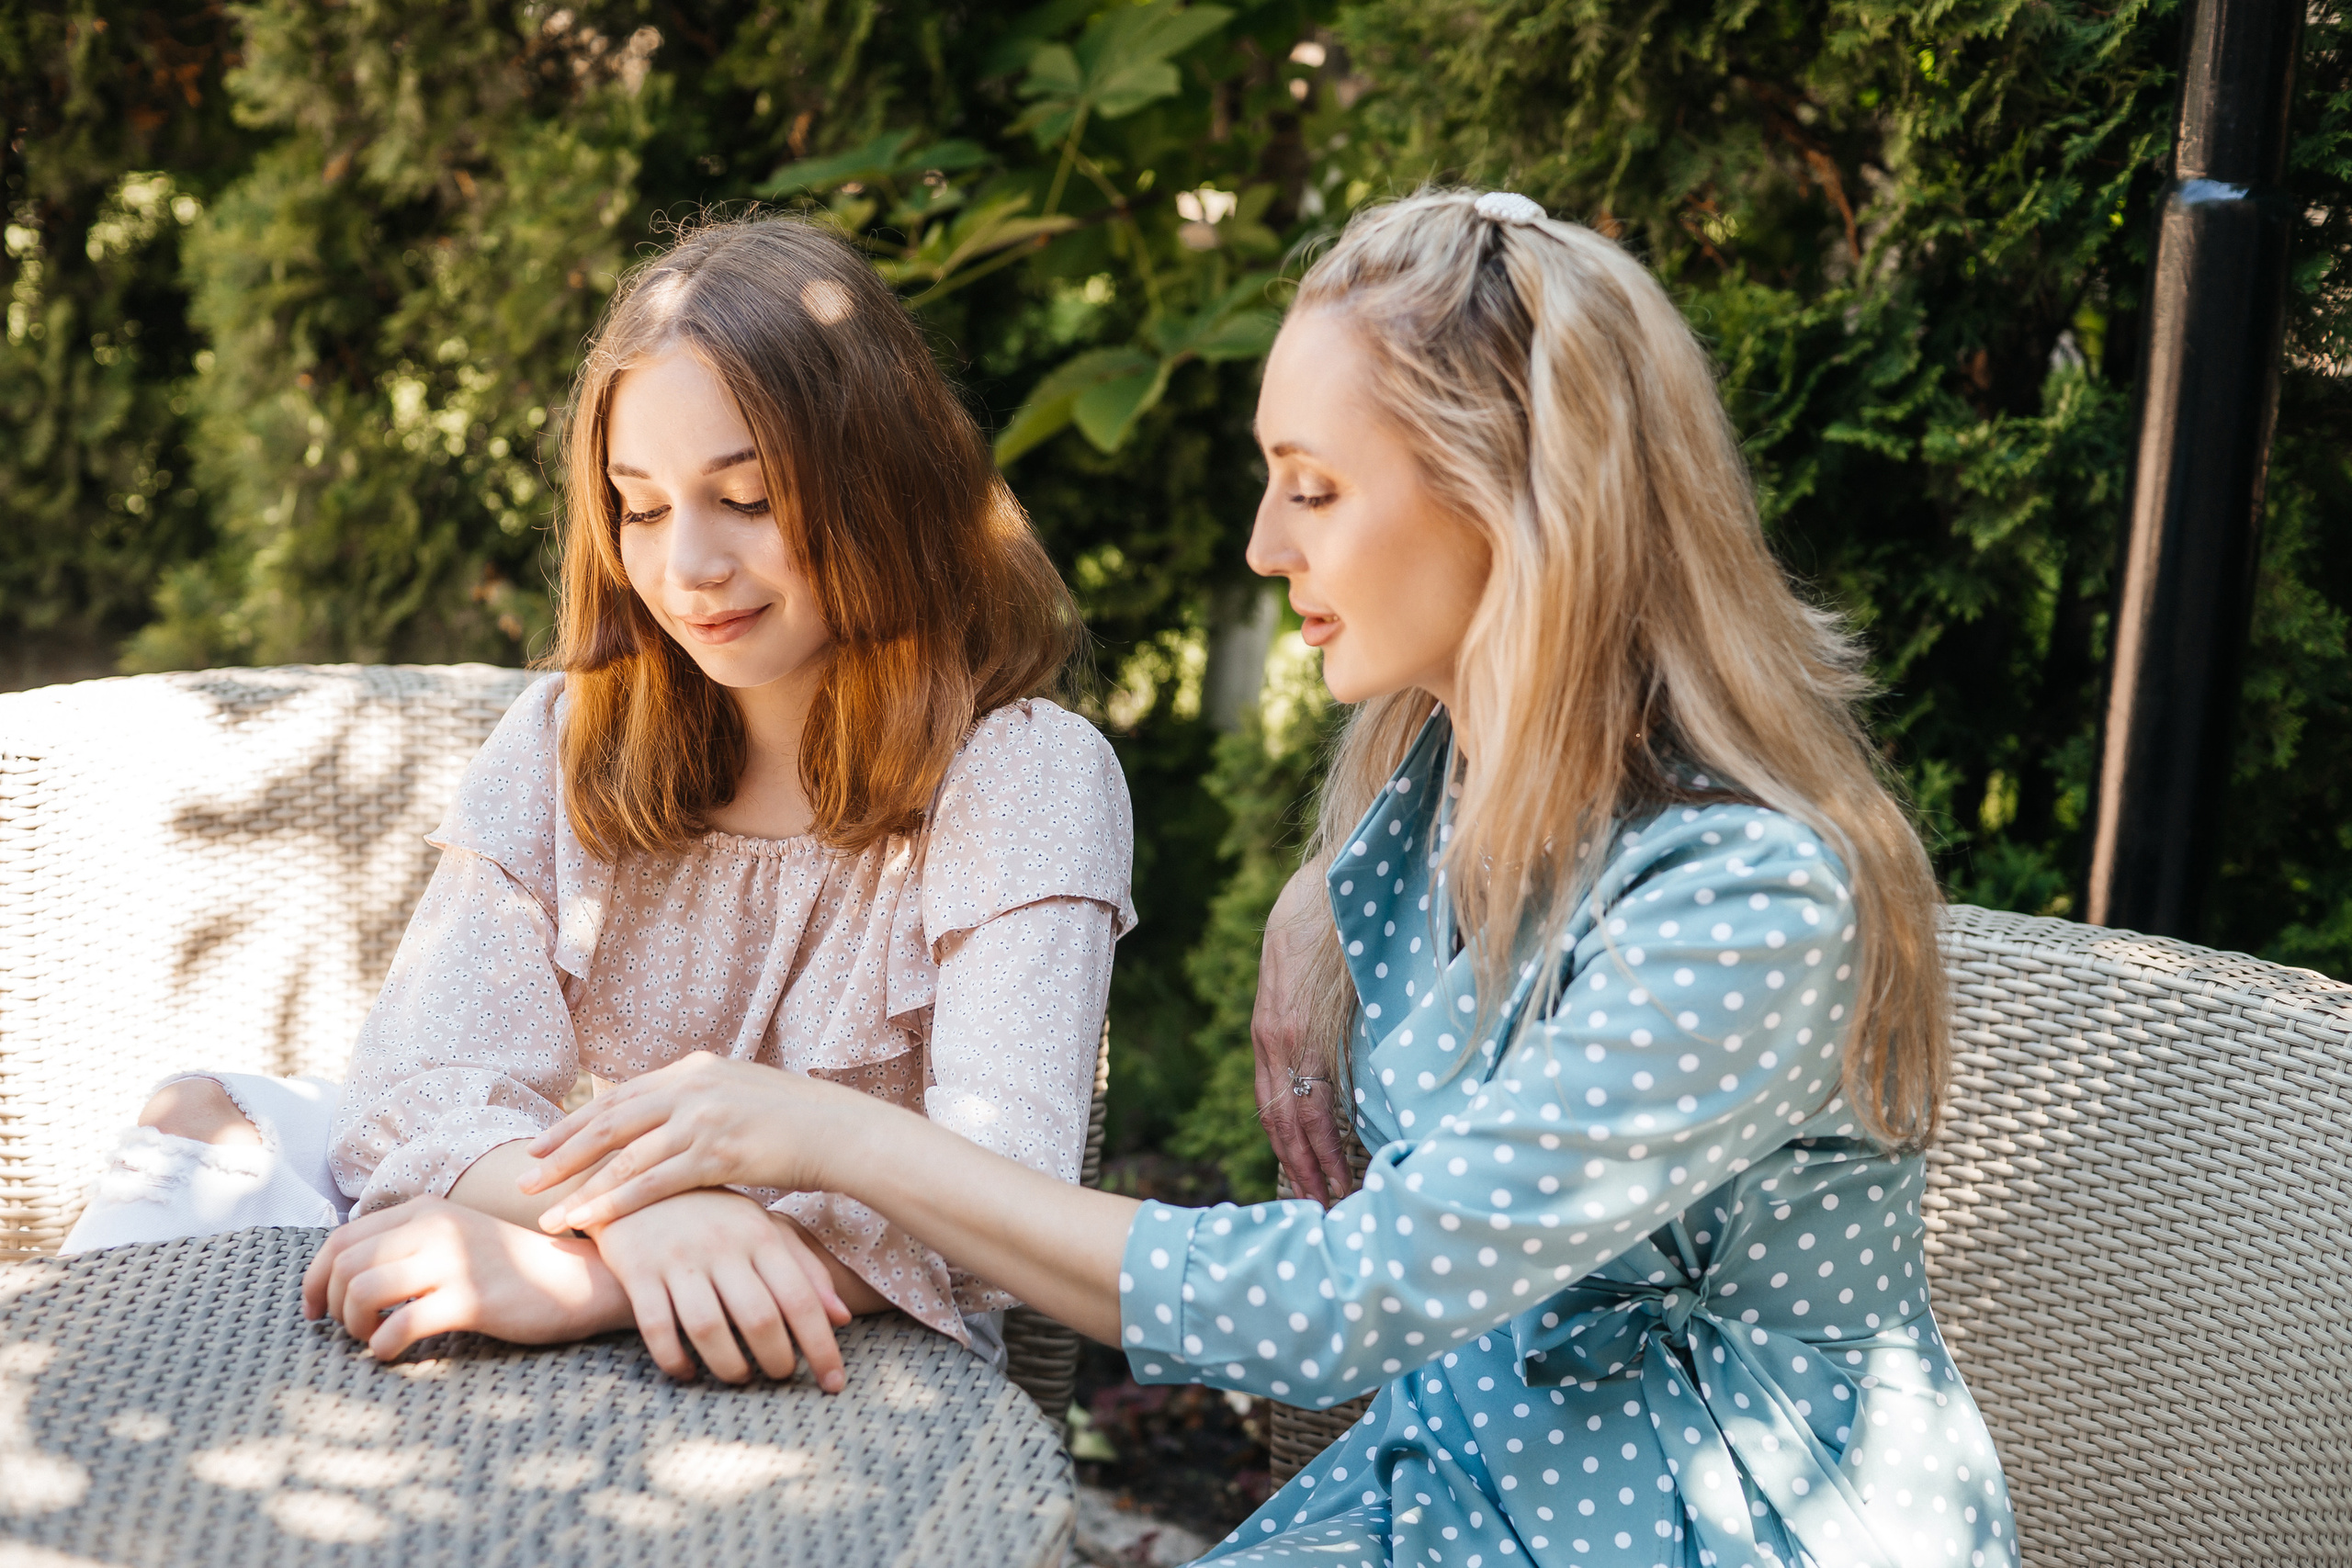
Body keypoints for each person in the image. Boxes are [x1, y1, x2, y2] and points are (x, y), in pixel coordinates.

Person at [510, 189, 2021, 1568]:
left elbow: (1346, 1297)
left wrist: (819, 1130)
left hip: (1714, 1525)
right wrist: (1319, 891)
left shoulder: (1747, 904)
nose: (1259, 542)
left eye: (1311, 487)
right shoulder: (1447, 797)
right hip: (1461, 1486)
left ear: (1508, 500)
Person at [63, 215, 1136, 1393]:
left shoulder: (1025, 775)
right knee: (205, 1119)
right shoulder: (574, 733)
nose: (689, 567)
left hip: (859, 1321)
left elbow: (1002, 1201)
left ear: (878, 487)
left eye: (749, 497)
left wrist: (585, 1280)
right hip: (582, 1209)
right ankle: (83, 1443)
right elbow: (415, 1090)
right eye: (642, 506)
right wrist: (637, 1221)